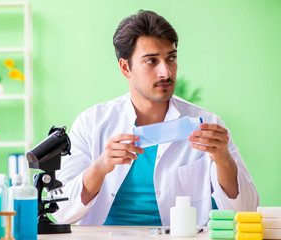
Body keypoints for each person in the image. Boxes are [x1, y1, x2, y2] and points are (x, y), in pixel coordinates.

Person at [52, 10, 259, 226]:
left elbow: (245, 211)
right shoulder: (91, 123)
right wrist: (101, 166)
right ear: (126, 68)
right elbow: (60, 212)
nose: (166, 72)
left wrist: (223, 159)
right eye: (151, 61)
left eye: (171, 58)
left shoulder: (208, 124)